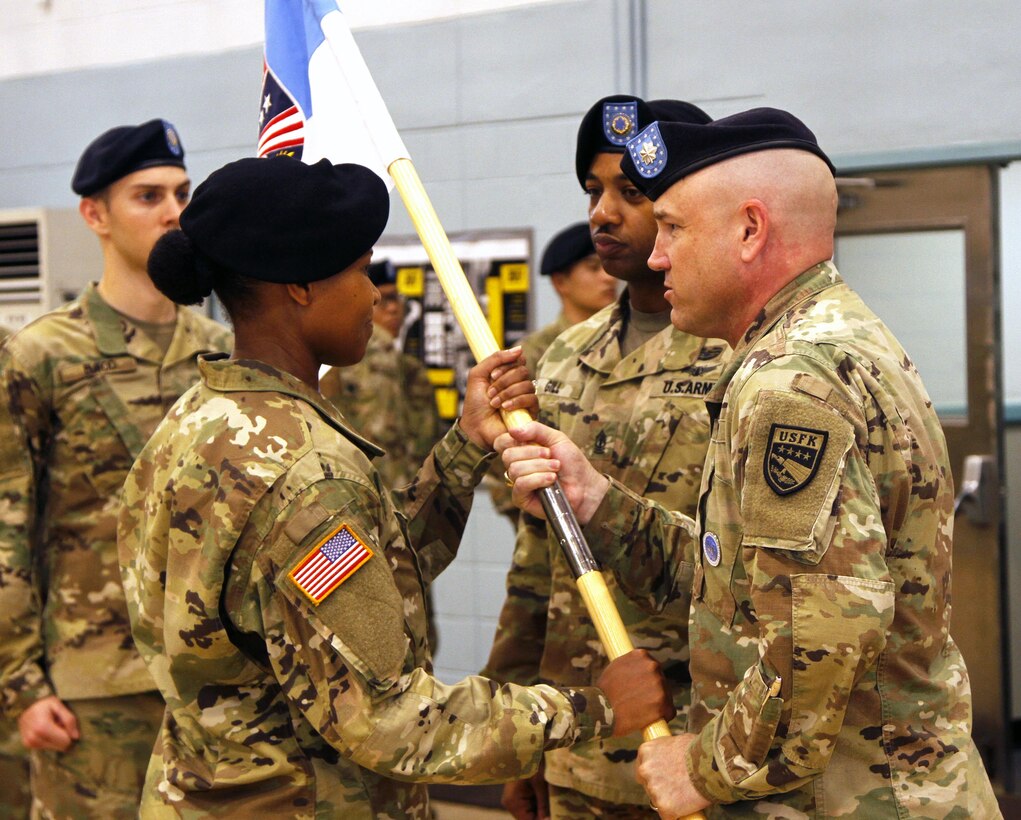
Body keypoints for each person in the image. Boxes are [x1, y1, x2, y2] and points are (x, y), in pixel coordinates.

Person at [118, 155, 676, 818]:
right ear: (299, 286)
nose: (371, 298)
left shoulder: (201, 420)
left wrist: (467, 445)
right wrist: (594, 707)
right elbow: (386, 721)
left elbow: (367, 583)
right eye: (358, 272)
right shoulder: (304, 473)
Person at [497, 108, 1000, 818]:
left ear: (748, 229)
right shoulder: (835, 337)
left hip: (843, 795)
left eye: (672, 227)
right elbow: (740, 592)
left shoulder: (789, 382)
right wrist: (595, 499)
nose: (659, 254)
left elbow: (824, 631)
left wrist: (704, 767)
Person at [482, 96, 730, 820]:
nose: (603, 214)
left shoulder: (739, 353)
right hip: (578, 740)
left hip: (695, 750)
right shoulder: (562, 359)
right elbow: (538, 559)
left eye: (631, 191)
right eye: (593, 191)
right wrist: (518, 736)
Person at [0, 120, 231, 818]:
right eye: (148, 195)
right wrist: (19, 685)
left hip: (213, 682)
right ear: (94, 215)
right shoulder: (45, 353)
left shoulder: (223, 351)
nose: (173, 211)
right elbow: (8, 524)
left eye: (182, 193)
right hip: (92, 686)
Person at [484, 222, 618, 528]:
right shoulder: (531, 356)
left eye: (608, 267)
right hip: (550, 526)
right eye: (593, 268)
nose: (608, 277)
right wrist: (533, 520)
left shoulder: (629, 347)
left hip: (618, 520)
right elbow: (499, 454)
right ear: (561, 282)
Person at [319, 259, 441, 491]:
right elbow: (381, 439)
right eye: (382, 301)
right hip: (377, 492)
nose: (393, 309)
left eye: (396, 299)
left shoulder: (408, 367)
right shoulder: (357, 358)